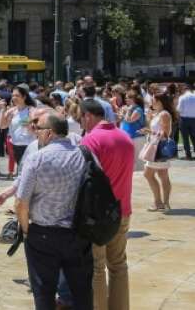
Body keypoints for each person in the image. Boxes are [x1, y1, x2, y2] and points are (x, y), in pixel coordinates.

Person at [16, 112, 92, 310]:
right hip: (78, 232)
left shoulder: (37, 159)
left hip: (43, 234)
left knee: (43, 291)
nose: (36, 133)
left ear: (49, 133)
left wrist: (25, 230)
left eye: (38, 129)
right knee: (82, 290)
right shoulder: (84, 154)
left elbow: (21, 202)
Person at [79, 98, 134, 310]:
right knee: (119, 265)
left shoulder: (90, 141)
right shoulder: (125, 137)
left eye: (81, 118)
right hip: (122, 210)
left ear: (88, 116)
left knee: (97, 267)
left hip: (97, 216)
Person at [142, 92, 174, 211]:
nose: (151, 102)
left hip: (159, 148)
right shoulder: (158, 113)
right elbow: (155, 130)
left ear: (160, 102)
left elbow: (166, 133)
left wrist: (149, 132)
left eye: (153, 100)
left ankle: (160, 202)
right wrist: (149, 123)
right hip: (155, 147)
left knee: (150, 174)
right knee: (162, 175)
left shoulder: (164, 114)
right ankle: (163, 203)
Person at [0, 84, 37, 174]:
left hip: (29, 146)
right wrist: (2, 110)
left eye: (17, 95)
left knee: (28, 171)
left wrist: (29, 125)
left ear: (24, 97)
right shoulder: (12, 111)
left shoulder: (31, 110)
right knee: (21, 170)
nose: (14, 98)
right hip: (16, 146)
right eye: (13, 95)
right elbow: (2, 126)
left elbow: (35, 131)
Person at [176, 84, 195, 160]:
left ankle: (188, 155)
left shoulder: (182, 97)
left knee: (185, 138)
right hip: (194, 119)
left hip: (184, 119)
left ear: (184, 90)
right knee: (194, 137)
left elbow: (179, 109)